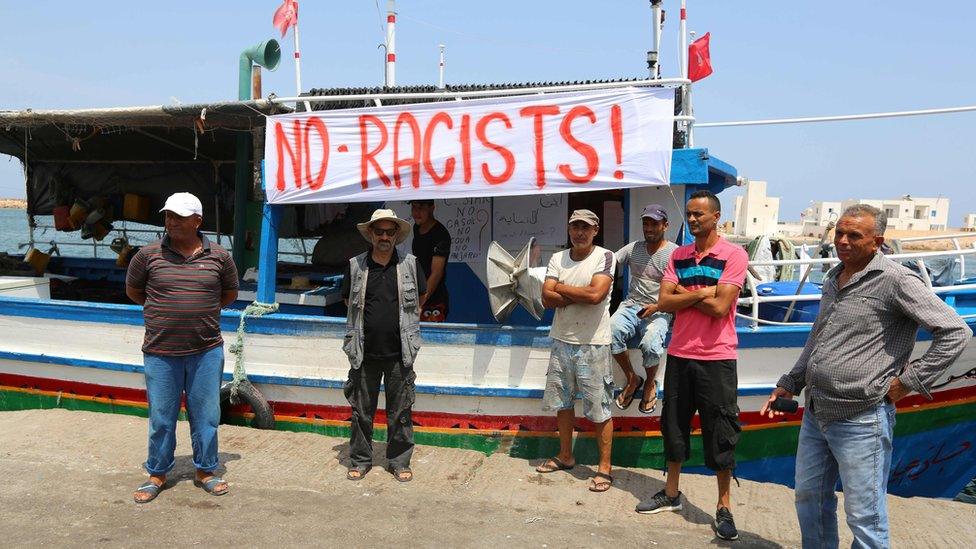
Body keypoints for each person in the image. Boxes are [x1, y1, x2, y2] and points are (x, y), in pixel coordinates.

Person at [760, 204, 971, 549]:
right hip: (817, 412)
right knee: (809, 499)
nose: (843, 241)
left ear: (877, 241)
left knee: (865, 517)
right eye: (839, 233)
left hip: (862, 418)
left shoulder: (896, 281)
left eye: (854, 235)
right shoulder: (833, 278)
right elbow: (818, 336)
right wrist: (791, 380)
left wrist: (909, 383)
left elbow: (954, 332)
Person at [637, 190, 748, 542]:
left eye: (700, 213)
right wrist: (702, 292)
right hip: (682, 354)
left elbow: (720, 309)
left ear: (716, 216)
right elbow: (664, 301)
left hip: (717, 357)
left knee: (721, 431)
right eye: (690, 213)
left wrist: (685, 296)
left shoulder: (734, 255)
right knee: (674, 424)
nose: (694, 219)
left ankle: (723, 507)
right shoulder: (679, 255)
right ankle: (671, 494)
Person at [125, 192, 239, 503]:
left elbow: (228, 294)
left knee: (206, 415)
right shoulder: (147, 256)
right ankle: (157, 473)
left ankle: (206, 471)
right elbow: (134, 291)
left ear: (198, 221)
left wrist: (195, 309)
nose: (171, 221)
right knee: (162, 416)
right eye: (168, 215)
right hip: (161, 352)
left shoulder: (220, 257)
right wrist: (168, 311)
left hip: (206, 351)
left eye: (179, 216)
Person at [341, 208, 427, 482]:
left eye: (390, 232)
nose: (385, 237)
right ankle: (360, 460)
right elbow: (348, 303)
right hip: (363, 353)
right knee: (361, 412)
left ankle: (399, 462)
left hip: (400, 353)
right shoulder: (355, 266)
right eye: (380, 231)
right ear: (371, 234)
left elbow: (420, 300)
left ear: (397, 236)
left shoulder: (411, 265)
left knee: (400, 412)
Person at [535, 209, 617, 493]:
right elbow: (546, 298)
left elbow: (596, 296)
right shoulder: (558, 258)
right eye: (574, 227)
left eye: (585, 227)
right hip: (561, 340)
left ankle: (604, 468)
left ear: (596, 229)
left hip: (593, 343)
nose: (579, 232)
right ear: (568, 230)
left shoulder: (606, 256)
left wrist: (562, 289)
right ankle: (566, 455)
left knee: (600, 407)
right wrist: (577, 293)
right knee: (563, 402)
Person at [610, 204, 678, 413]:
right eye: (646, 223)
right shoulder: (634, 248)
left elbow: (683, 287)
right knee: (610, 332)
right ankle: (632, 378)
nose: (649, 228)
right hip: (632, 306)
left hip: (659, 309)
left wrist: (659, 306)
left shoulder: (674, 253)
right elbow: (609, 260)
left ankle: (650, 382)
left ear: (665, 225)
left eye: (654, 224)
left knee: (650, 343)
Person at [410, 199, 452, 322]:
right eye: (413, 207)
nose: (416, 212)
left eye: (421, 207)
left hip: (435, 300)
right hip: (417, 294)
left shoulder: (441, 235)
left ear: (432, 208)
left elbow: (436, 273)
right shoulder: (416, 228)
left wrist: (420, 303)